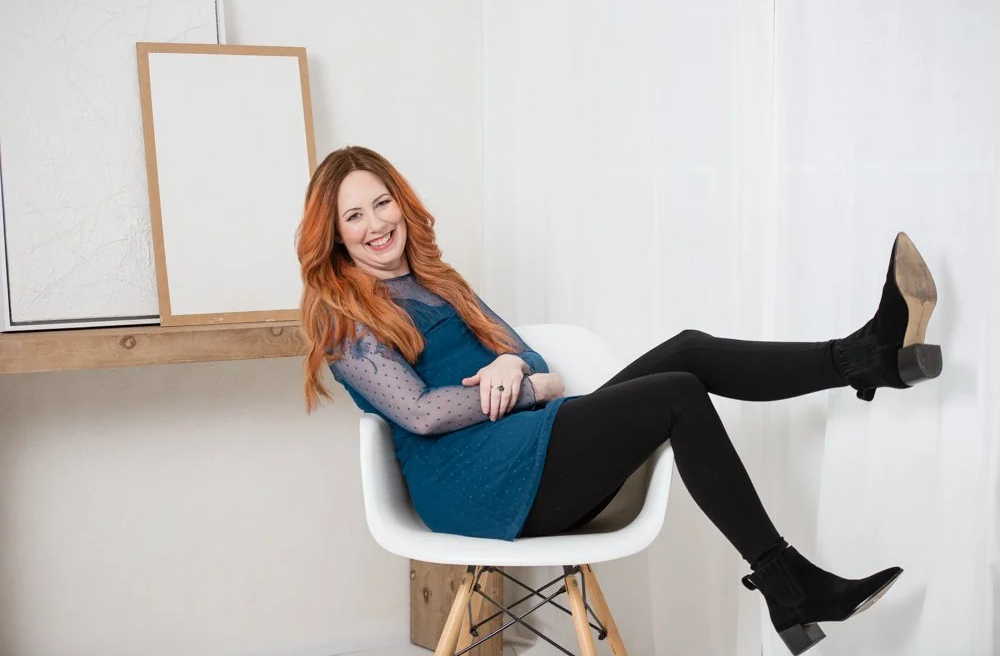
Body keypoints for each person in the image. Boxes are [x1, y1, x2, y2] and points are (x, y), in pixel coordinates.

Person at [295, 145, 942, 655]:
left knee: (688, 349)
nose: (377, 224)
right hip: (476, 487)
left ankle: (865, 357)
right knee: (678, 393)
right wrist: (515, 384)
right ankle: (785, 580)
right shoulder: (344, 321)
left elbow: (540, 366)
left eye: (382, 203)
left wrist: (514, 367)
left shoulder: (439, 281)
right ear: (336, 236)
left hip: (527, 445)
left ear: (401, 204)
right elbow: (420, 412)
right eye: (355, 216)